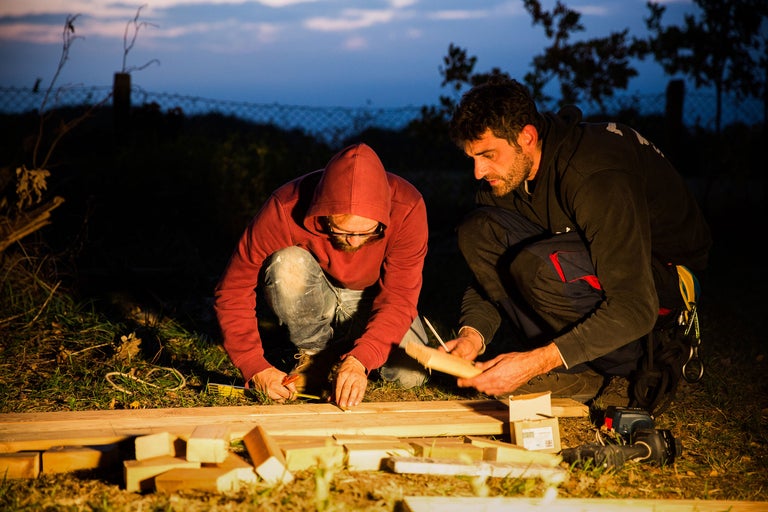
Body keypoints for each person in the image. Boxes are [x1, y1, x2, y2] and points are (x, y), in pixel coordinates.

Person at [442, 78, 712, 405]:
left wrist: (536, 361)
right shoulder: (510, 178)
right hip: (594, 268)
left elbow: (634, 305)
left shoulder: (594, 175)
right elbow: (489, 275)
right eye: (472, 157)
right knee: (477, 231)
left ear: (526, 137)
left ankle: (625, 368)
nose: (478, 171)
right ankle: (577, 365)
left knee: (537, 265)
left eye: (487, 155)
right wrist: (472, 335)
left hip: (663, 286)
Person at [214, 143, 430, 409]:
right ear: (323, 212)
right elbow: (234, 289)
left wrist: (360, 360)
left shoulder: (408, 207)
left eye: (366, 232)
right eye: (341, 230)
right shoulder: (284, 207)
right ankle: (315, 355)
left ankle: (346, 355)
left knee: (411, 376)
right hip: (316, 290)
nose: (352, 241)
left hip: (372, 297)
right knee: (287, 263)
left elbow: (399, 297)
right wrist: (254, 366)